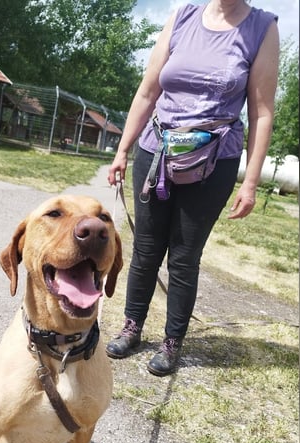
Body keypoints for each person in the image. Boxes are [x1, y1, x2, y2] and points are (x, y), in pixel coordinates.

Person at [106, 0, 279, 376]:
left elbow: (262, 112)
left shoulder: (262, 28)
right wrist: (122, 151)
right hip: (156, 151)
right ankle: (131, 327)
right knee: (146, 249)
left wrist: (250, 182)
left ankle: (172, 342)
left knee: (184, 257)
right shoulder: (182, 17)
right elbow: (147, 92)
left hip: (213, 162)